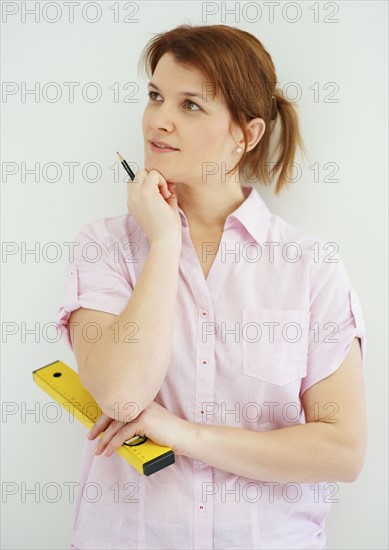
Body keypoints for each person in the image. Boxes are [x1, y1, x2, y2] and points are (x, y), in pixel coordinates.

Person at [56, 24, 367, 550]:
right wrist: (165, 243)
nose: (159, 119)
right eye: (155, 96)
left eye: (190, 105)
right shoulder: (105, 247)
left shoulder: (310, 267)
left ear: (247, 134)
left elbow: (341, 451)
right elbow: (122, 393)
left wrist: (183, 435)